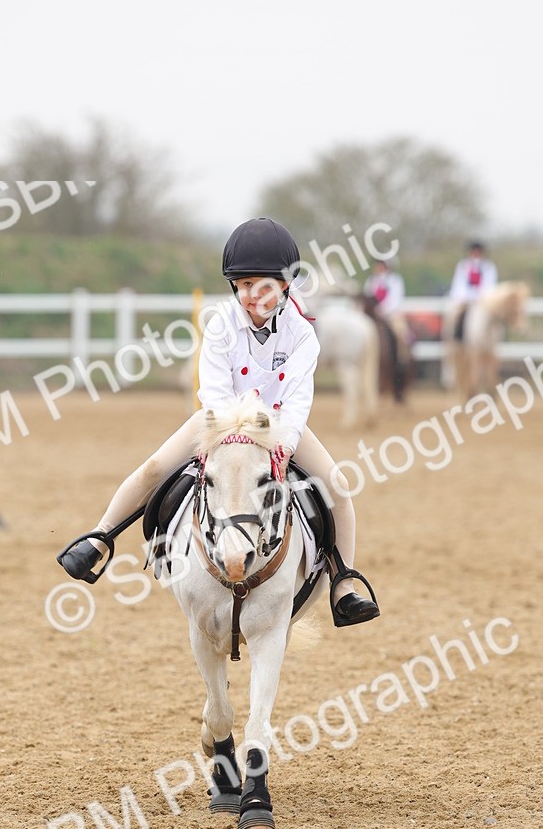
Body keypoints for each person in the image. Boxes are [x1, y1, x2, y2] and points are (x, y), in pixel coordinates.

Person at [57, 217, 379, 627]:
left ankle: (343, 583)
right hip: (220, 422)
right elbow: (212, 392)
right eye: (243, 285)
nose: (252, 295)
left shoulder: (302, 334)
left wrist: (283, 444)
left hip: (278, 426)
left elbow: (298, 400)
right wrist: (231, 436)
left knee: (338, 486)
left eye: (262, 285)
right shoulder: (221, 324)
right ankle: (100, 537)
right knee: (153, 469)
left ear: (285, 285)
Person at [363, 259, 411, 398]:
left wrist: (383, 310)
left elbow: (395, 299)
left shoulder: (395, 280)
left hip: (391, 315)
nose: (379, 267)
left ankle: (403, 357)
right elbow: (368, 298)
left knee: (401, 333)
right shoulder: (371, 280)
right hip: (373, 316)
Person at [448, 240, 498, 340]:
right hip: (465, 298)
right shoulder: (463, 266)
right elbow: (459, 283)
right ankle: (456, 336)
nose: (476, 254)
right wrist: (464, 297)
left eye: (478, 251)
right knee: (454, 315)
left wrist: (482, 296)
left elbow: (490, 284)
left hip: (483, 299)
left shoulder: (488, 267)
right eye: (473, 251)